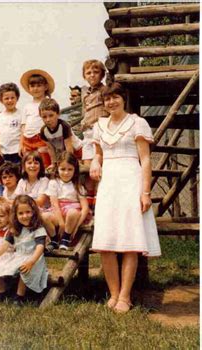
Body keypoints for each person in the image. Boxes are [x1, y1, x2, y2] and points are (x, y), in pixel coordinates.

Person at [90, 83, 161, 313]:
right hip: (108, 184)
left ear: (123, 98)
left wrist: (146, 192)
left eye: (115, 98)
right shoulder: (99, 125)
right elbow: (98, 154)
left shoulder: (137, 122)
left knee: (130, 240)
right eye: (107, 99)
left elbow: (146, 160)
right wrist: (94, 161)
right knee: (106, 242)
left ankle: (125, 296)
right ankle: (112, 294)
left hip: (131, 181)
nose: (111, 102)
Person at [0, 195, 48, 306]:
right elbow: (4, 245)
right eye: (21, 213)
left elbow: (40, 248)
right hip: (18, 256)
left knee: (23, 268)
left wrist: (31, 262)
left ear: (34, 212)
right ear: (15, 215)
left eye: (28, 212)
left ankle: (19, 296)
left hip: (34, 258)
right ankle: (4, 292)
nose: (25, 216)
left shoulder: (38, 228)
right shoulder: (14, 229)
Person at [42, 152, 91, 252]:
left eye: (70, 169)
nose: (66, 173)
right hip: (58, 213)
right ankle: (54, 240)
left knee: (72, 212)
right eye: (63, 169)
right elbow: (54, 204)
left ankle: (66, 238)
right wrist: (61, 224)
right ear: (57, 168)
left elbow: (85, 207)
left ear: (75, 170)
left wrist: (77, 225)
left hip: (72, 215)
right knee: (44, 216)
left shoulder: (77, 185)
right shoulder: (53, 183)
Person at [81, 60, 109, 209]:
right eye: (88, 72)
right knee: (87, 169)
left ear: (102, 74)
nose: (92, 75)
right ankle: (89, 203)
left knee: (99, 167)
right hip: (87, 132)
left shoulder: (104, 90)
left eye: (96, 72)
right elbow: (85, 110)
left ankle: (100, 200)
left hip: (99, 130)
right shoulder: (84, 92)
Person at [19, 69, 55, 166]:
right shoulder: (27, 106)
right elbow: (23, 126)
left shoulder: (49, 103)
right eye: (32, 86)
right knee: (29, 164)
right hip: (27, 139)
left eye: (39, 85)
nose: (36, 88)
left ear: (45, 86)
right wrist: (21, 144)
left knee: (44, 164)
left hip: (42, 138)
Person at [39, 98, 83, 170]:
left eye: (51, 115)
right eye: (44, 117)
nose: (48, 119)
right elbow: (51, 148)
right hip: (63, 152)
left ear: (58, 114)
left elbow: (69, 147)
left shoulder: (64, 126)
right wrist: (54, 163)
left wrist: (69, 163)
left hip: (77, 150)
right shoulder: (43, 131)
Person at [0, 83, 23, 164]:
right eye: (6, 98)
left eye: (12, 98)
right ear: (1, 100)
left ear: (17, 98)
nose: (10, 100)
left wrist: (21, 146)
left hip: (17, 151)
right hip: (4, 152)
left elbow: (23, 132)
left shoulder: (21, 114)